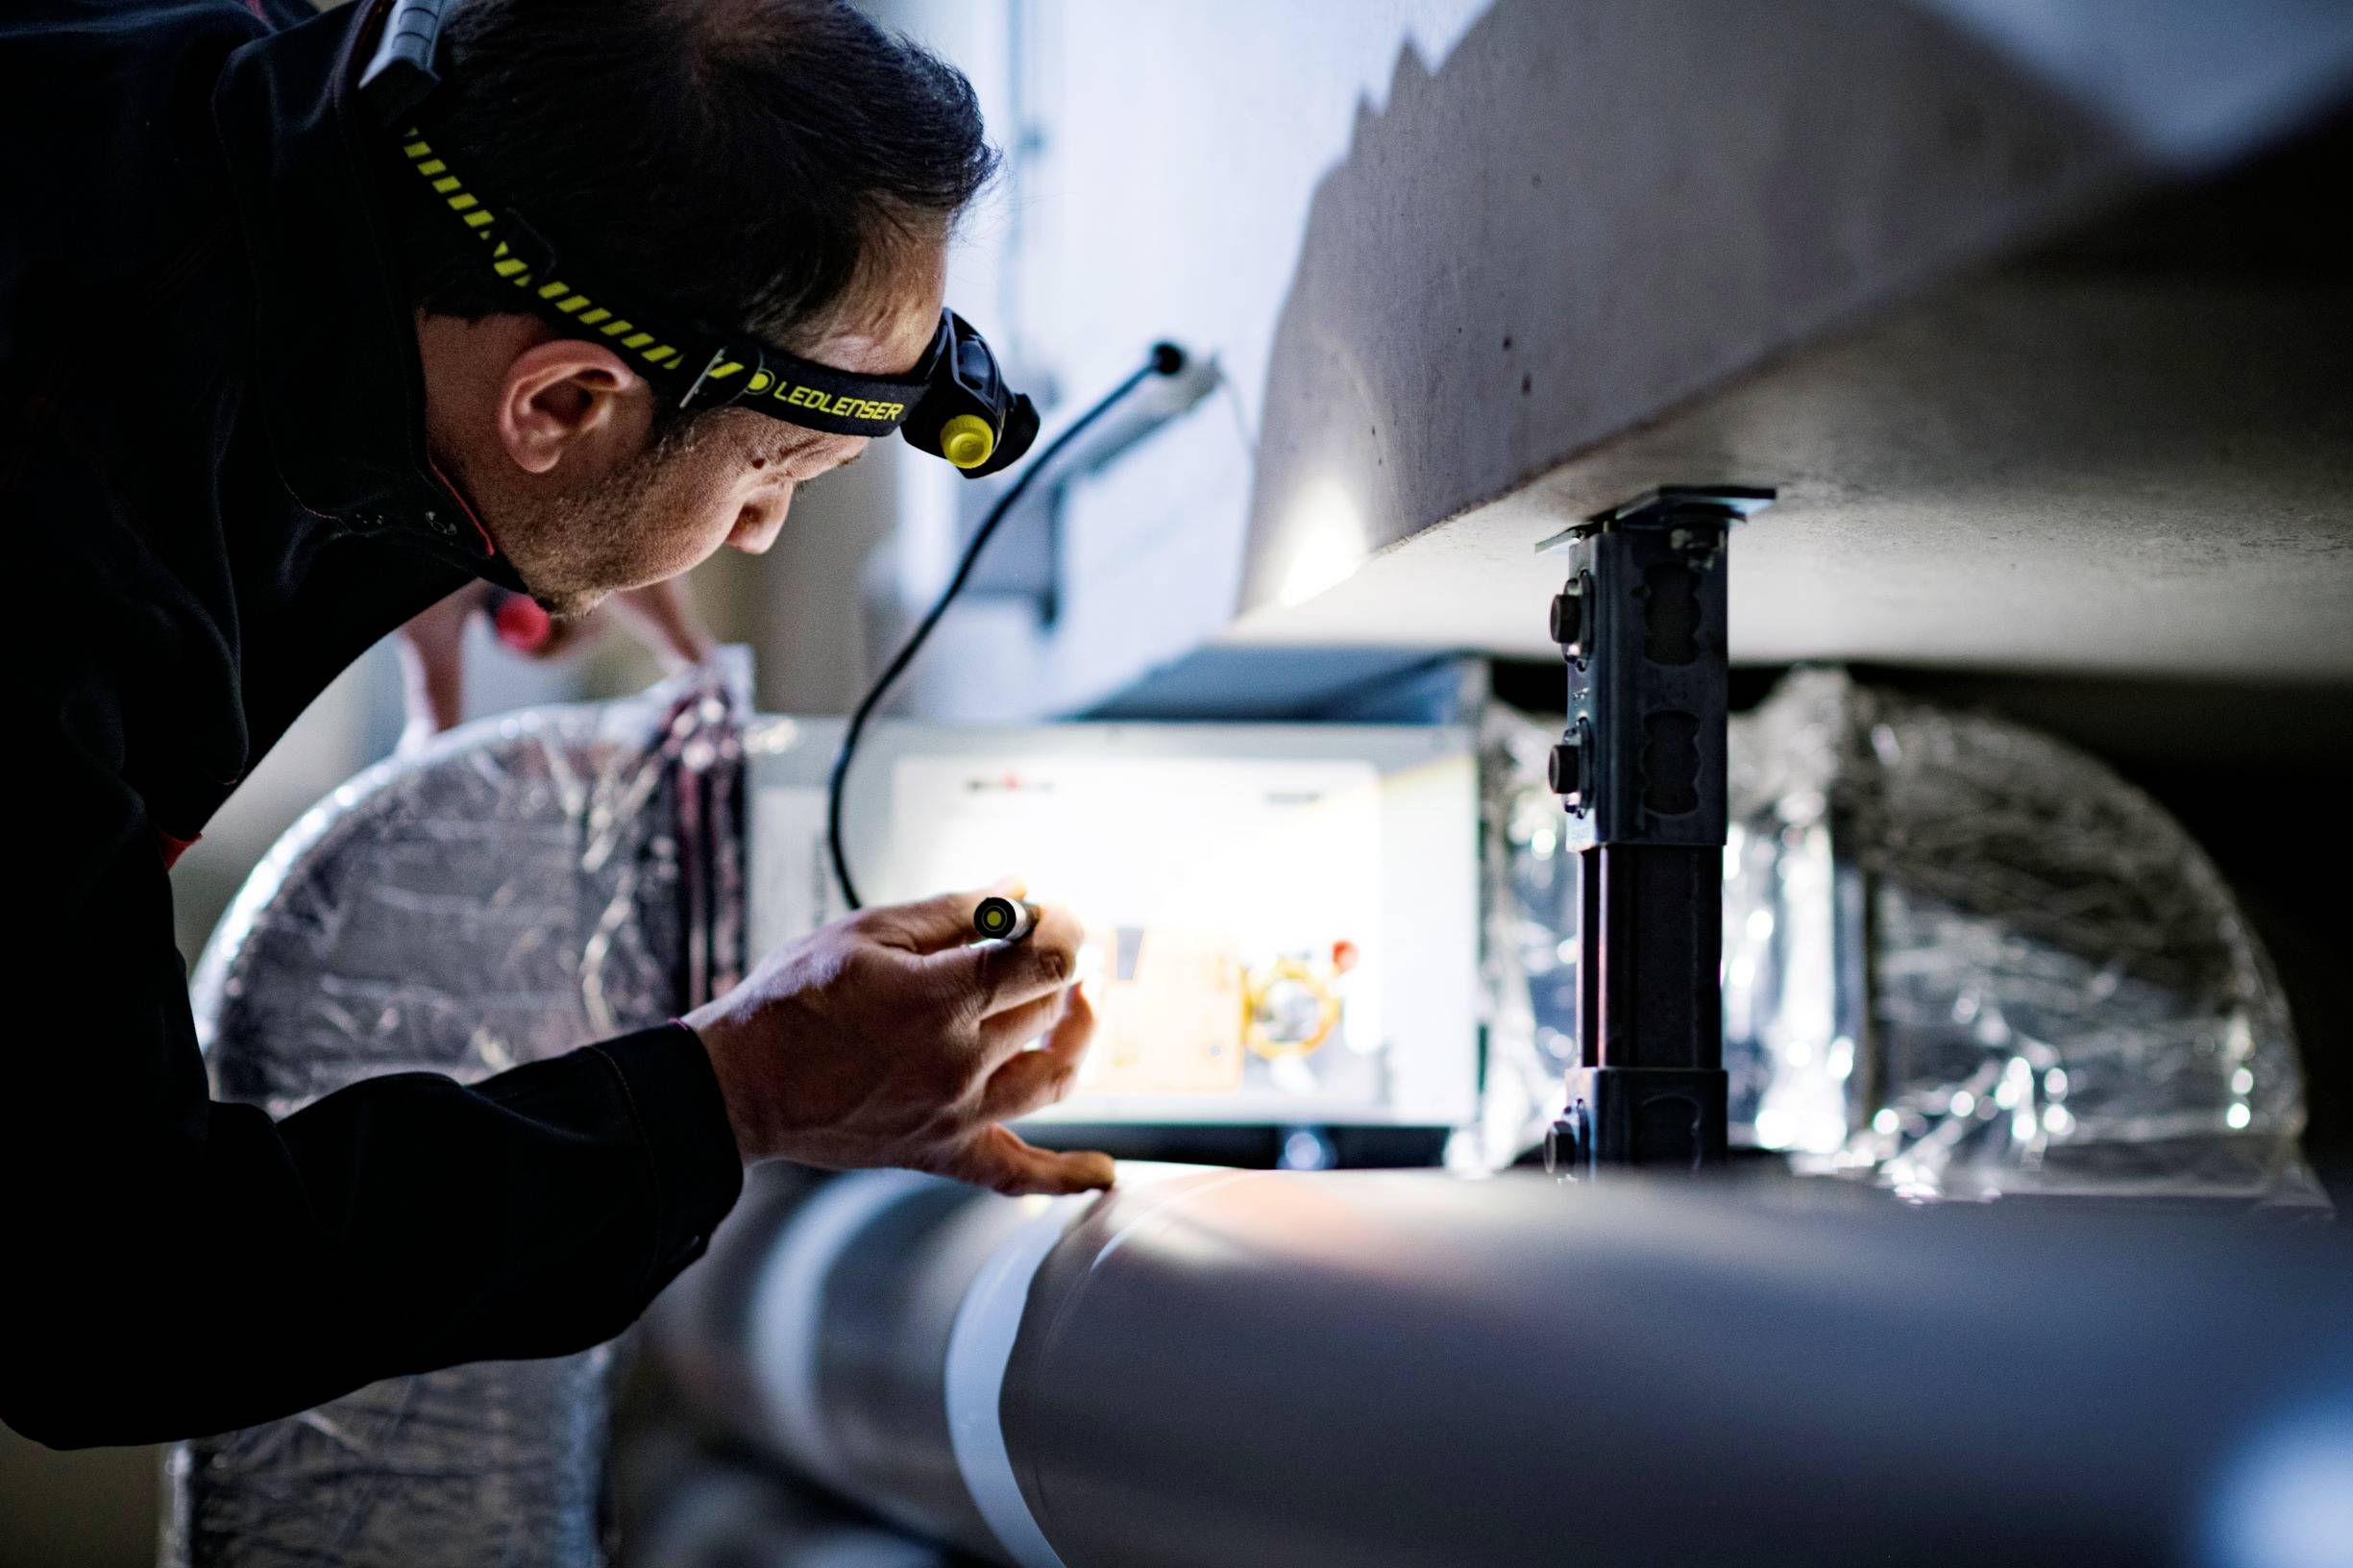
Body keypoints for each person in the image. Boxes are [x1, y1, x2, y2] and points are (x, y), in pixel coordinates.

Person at [2, 0, 1112, 1451]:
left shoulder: (326, 117)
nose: (765, 534)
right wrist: (738, 1090)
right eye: (776, 473)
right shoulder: (50, 588)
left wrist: (403, 514)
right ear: (567, 400)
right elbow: (111, 1300)